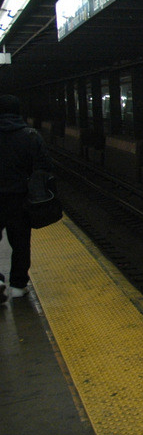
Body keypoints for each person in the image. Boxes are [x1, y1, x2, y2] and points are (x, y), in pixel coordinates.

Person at [0, 94, 52, 302]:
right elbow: (45, 167)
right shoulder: (30, 135)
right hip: (20, 199)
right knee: (20, 242)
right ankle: (18, 286)